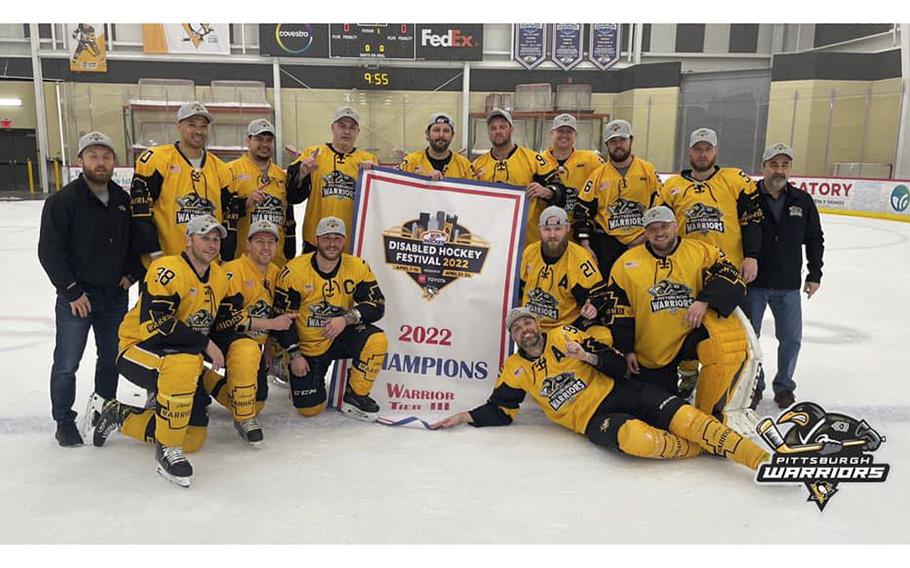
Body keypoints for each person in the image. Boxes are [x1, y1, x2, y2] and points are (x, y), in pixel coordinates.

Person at [433, 308, 769, 473]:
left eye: (528, 322)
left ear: (537, 325)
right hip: (593, 419)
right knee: (638, 441)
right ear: (514, 336)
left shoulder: (566, 335)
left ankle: (761, 461)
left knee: (690, 418)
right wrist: (464, 415)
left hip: (620, 391)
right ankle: (702, 450)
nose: (524, 329)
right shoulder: (514, 369)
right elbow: (502, 409)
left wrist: (586, 356)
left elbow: (619, 363)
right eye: (517, 327)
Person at [87, 215, 243, 488]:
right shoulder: (166, 269)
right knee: (182, 364)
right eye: (204, 237)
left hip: (181, 354)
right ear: (188, 240)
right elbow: (158, 323)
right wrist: (205, 344)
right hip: (139, 347)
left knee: (193, 437)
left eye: (216, 239)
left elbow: (220, 321)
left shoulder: (219, 275)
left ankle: (118, 414)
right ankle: (167, 451)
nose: (211, 244)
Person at [605, 206, 757, 429]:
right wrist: (626, 349)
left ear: (676, 226)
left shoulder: (702, 252)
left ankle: (712, 415)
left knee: (723, 347)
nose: (659, 232)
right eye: (652, 228)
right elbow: (619, 310)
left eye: (664, 226)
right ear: (645, 233)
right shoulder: (626, 264)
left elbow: (732, 277)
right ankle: (682, 384)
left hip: (691, 333)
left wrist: (704, 300)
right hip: (653, 347)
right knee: (660, 412)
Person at [38, 132, 140, 447]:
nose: (100, 162)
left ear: (114, 162)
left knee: (111, 357)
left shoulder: (123, 201)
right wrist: (71, 291)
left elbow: (136, 243)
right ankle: (64, 421)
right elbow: (50, 251)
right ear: (81, 160)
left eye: (106, 157)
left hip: (113, 297)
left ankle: (102, 412)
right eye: (93, 156)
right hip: (76, 299)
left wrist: (131, 274)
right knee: (68, 362)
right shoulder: (62, 202)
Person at [656, 128, 762, 394]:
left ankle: (749, 378)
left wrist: (751, 256)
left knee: (739, 329)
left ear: (715, 151)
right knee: (685, 328)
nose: (702, 154)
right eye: (697, 149)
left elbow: (753, 221)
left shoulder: (735, 179)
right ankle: (689, 373)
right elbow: (662, 228)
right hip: (687, 271)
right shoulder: (672, 187)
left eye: (707, 149)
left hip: (729, 272)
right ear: (689, 152)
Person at [273, 216, 388, 421]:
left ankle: (356, 395)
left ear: (344, 240)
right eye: (327, 238)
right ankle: (291, 370)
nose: (332, 244)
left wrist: (347, 318)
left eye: (337, 238)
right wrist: (294, 354)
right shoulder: (294, 271)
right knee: (310, 409)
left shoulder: (357, 266)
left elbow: (378, 305)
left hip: (339, 335)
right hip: (308, 346)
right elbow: (281, 319)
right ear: (317, 239)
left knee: (376, 339)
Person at [199, 220, 298, 445]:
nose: (265, 247)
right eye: (259, 242)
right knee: (245, 348)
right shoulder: (232, 271)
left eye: (271, 242)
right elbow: (228, 321)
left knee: (257, 403)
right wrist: (272, 325)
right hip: (220, 341)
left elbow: (281, 316)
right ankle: (243, 419)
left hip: (255, 346)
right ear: (248, 245)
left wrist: (269, 348)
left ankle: (207, 380)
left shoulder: (277, 274)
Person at [747, 144, 825, 409]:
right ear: (763, 167)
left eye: (784, 165)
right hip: (753, 284)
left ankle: (784, 386)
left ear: (790, 168)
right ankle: (753, 386)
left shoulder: (802, 200)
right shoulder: (748, 197)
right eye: (774, 165)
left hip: (788, 284)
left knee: (791, 339)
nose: (779, 170)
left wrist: (815, 273)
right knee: (750, 341)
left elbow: (815, 238)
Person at [129, 101, 239, 266]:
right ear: (179, 126)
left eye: (203, 126)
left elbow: (229, 219)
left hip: (208, 266)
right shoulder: (156, 160)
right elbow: (141, 213)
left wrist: (226, 259)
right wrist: (154, 254)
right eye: (192, 125)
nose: (198, 131)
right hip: (165, 264)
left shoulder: (221, 169)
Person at [573, 119, 661, 277]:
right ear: (606, 144)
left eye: (622, 140)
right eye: (613, 141)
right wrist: (585, 245)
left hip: (643, 242)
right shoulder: (597, 176)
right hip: (608, 245)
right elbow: (581, 213)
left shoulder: (647, 170)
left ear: (631, 140)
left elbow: (662, 207)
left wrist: (646, 236)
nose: (618, 145)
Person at [286, 106, 378, 253]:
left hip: (351, 243)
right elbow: (292, 196)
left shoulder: (368, 159)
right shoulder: (313, 154)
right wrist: (302, 173)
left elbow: (378, 205)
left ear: (358, 132)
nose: (346, 131)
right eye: (342, 126)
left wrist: (376, 177)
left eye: (352, 128)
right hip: (315, 240)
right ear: (332, 128)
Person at [472, 108, 564, 249]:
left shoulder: (533, 159)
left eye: (502, 127)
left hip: (528, 242)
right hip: (492, 241)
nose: (498, 131)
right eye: (493, 128)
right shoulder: (477, 165)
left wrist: (546, 191)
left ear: (511, 129)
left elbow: (559, 189)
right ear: (488, 132)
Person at [519, 206, 611, 342]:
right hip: (533, 325)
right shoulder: (529, 252)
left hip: (567, 325)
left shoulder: (580, 257)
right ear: (539, 229)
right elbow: (519, 287)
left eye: (558, 229)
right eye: (547, 229)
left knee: (603, 337)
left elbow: (598, 294)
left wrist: (593, 307)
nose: (552, 235)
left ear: (567, 228)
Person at [227, 119, 296, 265]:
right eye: (259, 139)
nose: (265, 144)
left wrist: (290, 253)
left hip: (276, 261)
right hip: (242, 261)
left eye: (269, 140)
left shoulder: (282, 176)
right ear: (248, 140)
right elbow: (221, 212)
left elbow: (289, 219)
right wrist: (245, 203)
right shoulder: (230, 171)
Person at [536, 113, 603, 222]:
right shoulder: (537, 160)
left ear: (575, 135)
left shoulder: (591, 159)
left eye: (569, 131)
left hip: (579, 227)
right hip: (548, 228)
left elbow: (607, 184)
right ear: (551, 134)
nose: (564, 135)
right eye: (560, 131)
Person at [398, 113, 476, 180]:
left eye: (446, 131)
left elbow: (474, 194)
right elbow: (397, 190)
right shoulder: (410, 162)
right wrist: (417, 180)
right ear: (427, 134)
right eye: (436, 130)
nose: (441, 135)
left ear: (452, 135)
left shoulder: (465, 166)